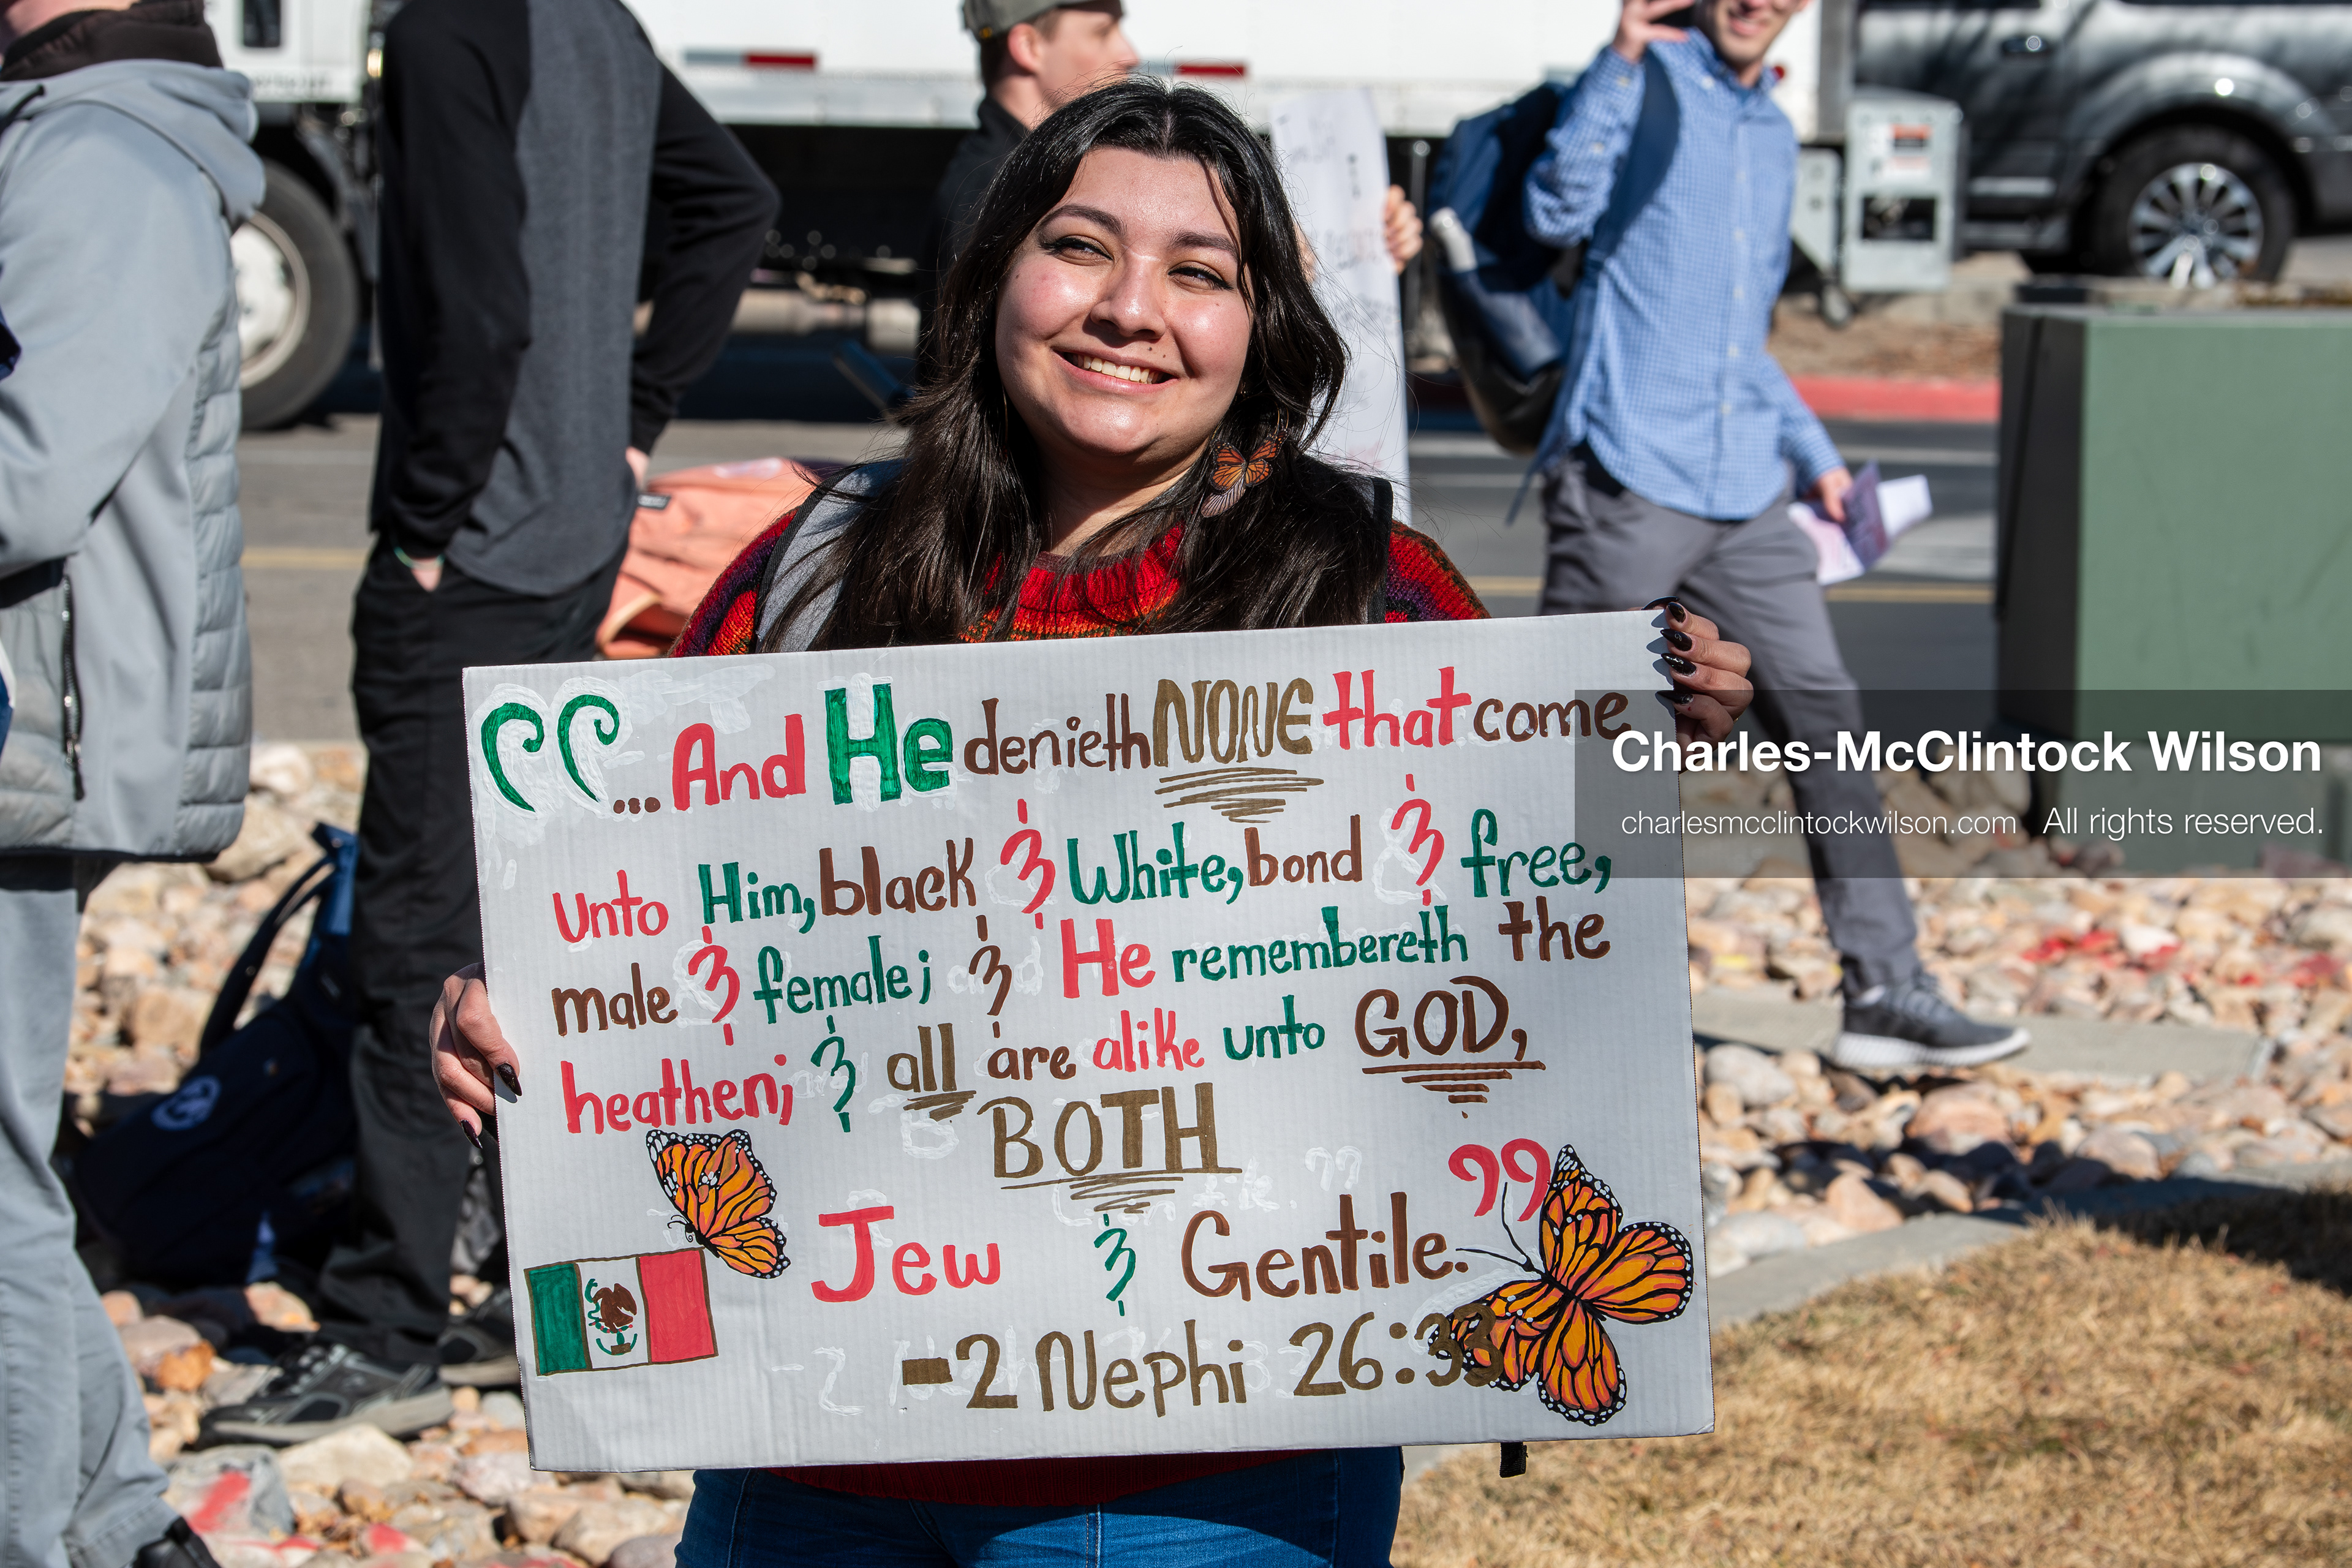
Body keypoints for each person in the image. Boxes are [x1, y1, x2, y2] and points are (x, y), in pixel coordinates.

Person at [422, 77, 1755, 1566]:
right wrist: (516, 1013)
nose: (1132, 308)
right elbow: (637, 922)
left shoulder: (1370, 599)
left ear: (1260, 334)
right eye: (1080, 248)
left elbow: (1520, 936)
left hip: (1208, 1479)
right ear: (992, 275)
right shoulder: (808, 573)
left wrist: (1633, 745)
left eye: (1201, 274)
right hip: (812, 1437)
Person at [203, 0, 778, 1444]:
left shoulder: (455, 27)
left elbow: (477, 303)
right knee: (522, 922)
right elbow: (734, 205)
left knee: (413, 942)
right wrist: (629, 415)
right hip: (566, 534)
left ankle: (390, 1319)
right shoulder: (597, 22)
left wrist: (422, 520)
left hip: (478, 554)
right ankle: (534, 1291)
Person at [1523, 0, 2027, 1071]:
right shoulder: (1644, 84)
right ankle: (1545, 1010)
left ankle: (1885, 991)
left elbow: (1737, 336)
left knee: (1829, 721)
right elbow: (1556, 210)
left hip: (1748, 490)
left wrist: (1818, 455)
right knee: (1578, 751)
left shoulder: (1771, 131)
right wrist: (1618, 55)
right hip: (1628, 476)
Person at [0, 1, 259, 1563]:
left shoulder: (98, 152)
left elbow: (29, 472)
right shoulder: (84, 135)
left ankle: (55, 1529)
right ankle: (105, 1523)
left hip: (31, 729)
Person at [920, 0, 1423, 357]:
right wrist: (1280, 277)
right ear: (1028, 46)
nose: (1128, 52)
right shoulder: (991, 193)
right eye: (1083, 246)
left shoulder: (1045, 175)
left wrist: (1357, 261)